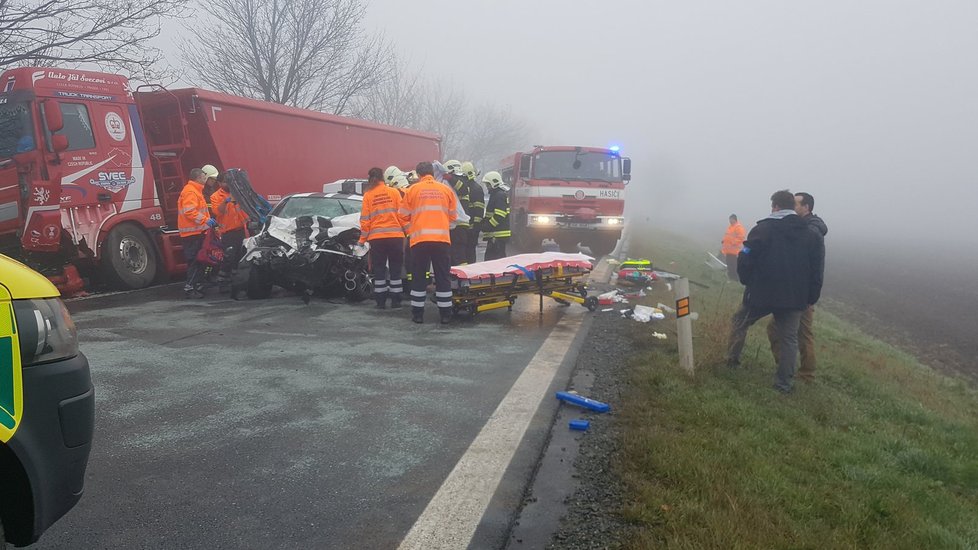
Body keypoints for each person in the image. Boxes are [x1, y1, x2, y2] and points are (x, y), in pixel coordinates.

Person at [726, 190, 824, 394]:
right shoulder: (809, 234)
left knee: (739, 322)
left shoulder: (762, 229)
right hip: (795, 297)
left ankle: (732, 361)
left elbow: (745, 256)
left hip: (761, 294)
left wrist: (746, 281)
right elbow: (817, 269)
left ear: (776, 206)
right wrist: (811, 297)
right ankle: (783, 384)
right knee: (789, 339)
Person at [765, 192, 828, 382]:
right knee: (786, 331)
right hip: (798, 290)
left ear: (806, 207)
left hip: (803, 292)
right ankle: (789, 368)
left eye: (796, 204)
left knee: (797, 332)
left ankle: (802, 373)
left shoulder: (811, 230)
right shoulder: (805, 227)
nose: (793, 207)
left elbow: (814, 266)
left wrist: (810, 296)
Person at [399, 161, 457, 324]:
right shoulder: (446, 190)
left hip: (419, 241)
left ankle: (417, 315)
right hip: (441, 240)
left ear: (418, 175)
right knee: (442, 277)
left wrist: (414, 225)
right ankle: (446, 314)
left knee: (418, 277)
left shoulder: (412, 190)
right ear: (432, 172)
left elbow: (402, 215)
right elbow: (453, 217)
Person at [360, 167, 406, 309]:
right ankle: (396, 301)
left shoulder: (368, 195)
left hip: (377, 238)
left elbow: (365, 220)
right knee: (395, 269)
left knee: (379, 269)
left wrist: (362, 239)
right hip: (395, 237)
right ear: (383, 178)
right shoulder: (394, 192)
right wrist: (407, 232)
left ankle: (380, 302)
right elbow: (402, 215)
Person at [178, 168, 217, 298]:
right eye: (203, 177)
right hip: (192, 233)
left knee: (198, 260)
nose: (205, 179)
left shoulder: (194, 190)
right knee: (195, 261)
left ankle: (196, 286)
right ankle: (190, 288)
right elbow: (189, 211)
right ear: (198, 178)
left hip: (196, 232)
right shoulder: (191, 191)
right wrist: (206, 220)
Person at [208, 168, 249, 292]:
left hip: (241, 230)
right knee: (228, 258)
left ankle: (237, 281)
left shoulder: (237, 193)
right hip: (228, 233)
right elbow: (217, 212)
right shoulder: (215, 196)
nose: (228, 184)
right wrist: (226, 202)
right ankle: (223, 282)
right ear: (220, 183)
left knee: (240, 257)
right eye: (225, 182)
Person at [444, 160, 471, 265]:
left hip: (458, 225)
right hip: (456, 224)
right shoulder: (454, 183)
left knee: (458, 255)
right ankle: (459, 277)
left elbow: (463, 189)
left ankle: (459, 278)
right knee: (456, 255)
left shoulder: (460, 181)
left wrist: (449, 178)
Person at [481, 171, 511, 261]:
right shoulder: (497, 194)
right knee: (493, 260)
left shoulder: (499, 195)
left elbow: (499, 215)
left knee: (494, 261)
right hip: (496, 234)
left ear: (494, 183)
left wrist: (488, 226)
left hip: (497, 235)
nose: (487, 187)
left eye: (488, 184)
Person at [461, 161, 485, 264]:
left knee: (467, 252)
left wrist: (474, 227)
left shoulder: (469, 188)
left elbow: (479, 211)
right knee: (469, 251)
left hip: (468, 228)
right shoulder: (476, 187)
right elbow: (479, 211)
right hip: (470, 227)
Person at [721, 214, 747, 280]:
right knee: (729, 265)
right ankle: (731, 277)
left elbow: (741, 238)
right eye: (729, 219)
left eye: (731, 219)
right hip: (728, 251)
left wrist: (733, 243)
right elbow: (727, 236)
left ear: (734, 219)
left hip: (735, 251)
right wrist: (724, 240)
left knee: (734, 266)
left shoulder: (739, 227)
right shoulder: (730, 227)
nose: (729, 221)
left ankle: (736, 278)